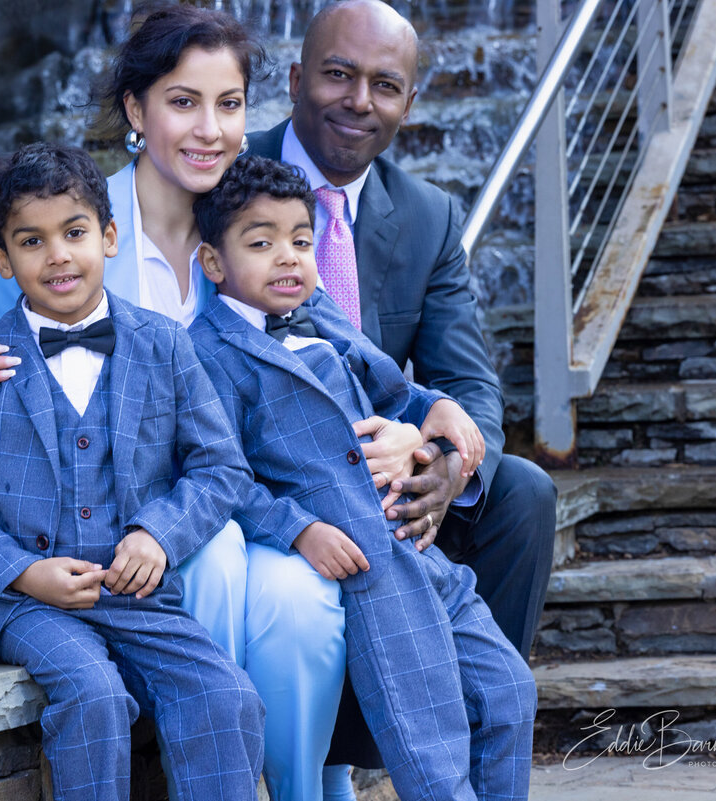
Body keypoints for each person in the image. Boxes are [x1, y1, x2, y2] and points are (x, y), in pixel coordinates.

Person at [0, 7, 445, 800]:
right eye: (182, 102)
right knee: (224, 566)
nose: (210, 129)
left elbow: (355, 362)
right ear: (136, 110)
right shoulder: (70, 230)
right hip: (134, 525)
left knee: (304, 606)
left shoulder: (251, 221)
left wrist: (426, 429)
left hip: (246, 496)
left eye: (229, 104)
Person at [0, 142, 264, 801]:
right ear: (2, 258)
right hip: (21, 601)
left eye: (74, 232)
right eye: (31, 241)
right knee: (94, 693)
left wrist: (158, 534)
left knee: (225, 694)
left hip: (134, 591)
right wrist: (25, 571)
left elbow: (221, 465)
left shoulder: (163, 343)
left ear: (108, 236)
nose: (57, 256)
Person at [188, 155, 536, 801]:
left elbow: (395, 389)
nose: (288, 257)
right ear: (213, 263)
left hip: (417, 548)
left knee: (509, 690)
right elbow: (219, 472)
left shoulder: (322, 318)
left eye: (299, 239)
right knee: (428, 739)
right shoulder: (207, 353)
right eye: (260, 243)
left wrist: (433, 409)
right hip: (365, 564)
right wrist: (299, 530)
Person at [246, 0, 557, 668]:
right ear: (296, 78)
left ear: (409, 104)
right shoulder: (228, 177)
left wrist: (445, 464)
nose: (359, 101)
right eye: (338, 74)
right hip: (266, 467)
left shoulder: (429, 217)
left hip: (388, 469)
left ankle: (475, 731)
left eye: (384, 86)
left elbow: (468, 380)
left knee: (522, 493)